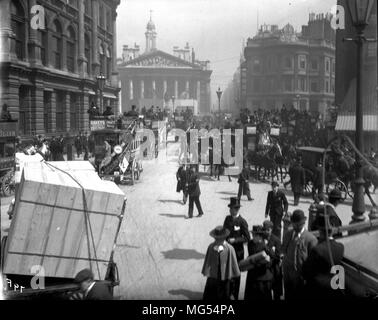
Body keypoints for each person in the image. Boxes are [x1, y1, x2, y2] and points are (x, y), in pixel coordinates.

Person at [302, 212, 345, 299]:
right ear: (331, 231)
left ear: (321, 232)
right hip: (334, 287)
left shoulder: (318, 249)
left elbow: (305, 271)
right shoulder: (341, 247)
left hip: (318, 289)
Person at [282, 210, 318, 300]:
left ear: (303, 223)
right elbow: (283, 250)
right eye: (294, 224)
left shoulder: (311, 239)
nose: (296, 226)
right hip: (288, 275)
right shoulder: (288, 234)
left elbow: (312, 262)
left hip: (301, 278)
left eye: (299, 224)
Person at [202, 226, 241, 300]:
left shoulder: (229, 248)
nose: (218, 240)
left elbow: (234, 265)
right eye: (217, 239)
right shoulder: (212, 247)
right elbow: (208, 261)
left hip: (224, 276)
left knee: (223, 294)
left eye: (219, 239)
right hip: (214, 276)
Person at [223, 197, 250, 300]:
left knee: (236, 275)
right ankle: (227, 294)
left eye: (232, 208)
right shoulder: (227, 219)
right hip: (227, 251)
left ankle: (235, 295)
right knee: (227, 273)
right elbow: (224, 232)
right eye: (230, 208)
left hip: (237, 253)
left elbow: (247, 238)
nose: (230, 210)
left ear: (237, 209)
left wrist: (235, 240)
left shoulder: (242, 222)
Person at [244, 225, 274, 300]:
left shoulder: (266, 247)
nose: (253, 237)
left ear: (260, 236)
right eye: (252, 235)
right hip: (252, 276)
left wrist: (263, 262)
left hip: (263, 278)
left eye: (255, 235)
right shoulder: (250, 244)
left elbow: (271, 260)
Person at [262, 220, 283, 300]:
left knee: (276, 291)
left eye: (268, 230)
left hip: (274, 268)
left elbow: (278, 256)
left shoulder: (276, 240)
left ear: (271, 229)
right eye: (265, 230)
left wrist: (268, 250)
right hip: (265, 268)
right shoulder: (262, 238)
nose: (266, 232)